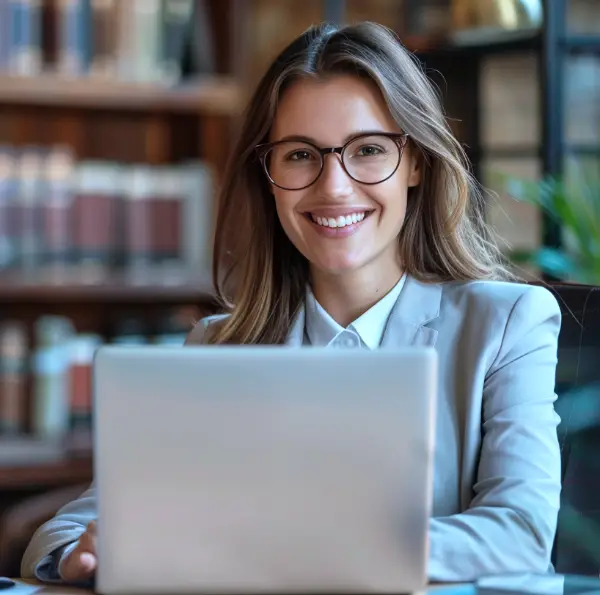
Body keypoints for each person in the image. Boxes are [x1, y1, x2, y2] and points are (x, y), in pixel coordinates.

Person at [21, 21, 562, 585]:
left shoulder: (505, 325)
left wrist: (297, 544)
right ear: (268, 172)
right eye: (301, 155)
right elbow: (62, 533)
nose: (334, 187)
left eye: (369, 150)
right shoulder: (215, 349)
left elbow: (520, 533)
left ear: (417, 163)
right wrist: (82, 554)